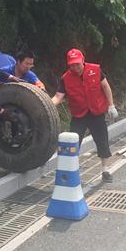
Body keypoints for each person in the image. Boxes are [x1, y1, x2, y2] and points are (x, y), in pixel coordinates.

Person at [51, 48, 119, 183]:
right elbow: (58, 96)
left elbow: (105, 86)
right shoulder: (66, 78)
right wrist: (48, 105)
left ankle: (105, 170)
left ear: (82, 60)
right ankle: (71, 169)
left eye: (77, 64)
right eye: (72, 65)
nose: (75, 67)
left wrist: (111, 105)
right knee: (73, 142)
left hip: (96, 112)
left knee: (102, 141)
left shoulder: (95, 70)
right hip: (79, 114)